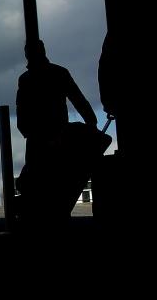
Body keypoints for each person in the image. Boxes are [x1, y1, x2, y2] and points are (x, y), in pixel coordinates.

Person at [16, 39, 102, 227]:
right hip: (58, 135)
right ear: (44, 51)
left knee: (38, 185)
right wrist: (92, 122)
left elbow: (21, 113)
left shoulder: (26, 79)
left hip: (37, 140)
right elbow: (78, 99)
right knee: (59, 186)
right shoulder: (59, 73)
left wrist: (28, 133)